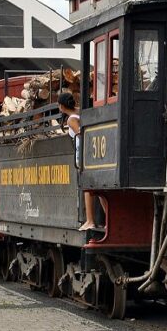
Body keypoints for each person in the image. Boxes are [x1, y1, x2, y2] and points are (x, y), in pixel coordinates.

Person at [57, 92, 102, 231]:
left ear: (61, 106)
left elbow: (81, 135)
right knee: (100, 191)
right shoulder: (81, 112)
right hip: (94, 152)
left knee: (87, 188)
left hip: (83, 154)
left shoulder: (71, 119)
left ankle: (90, 220)